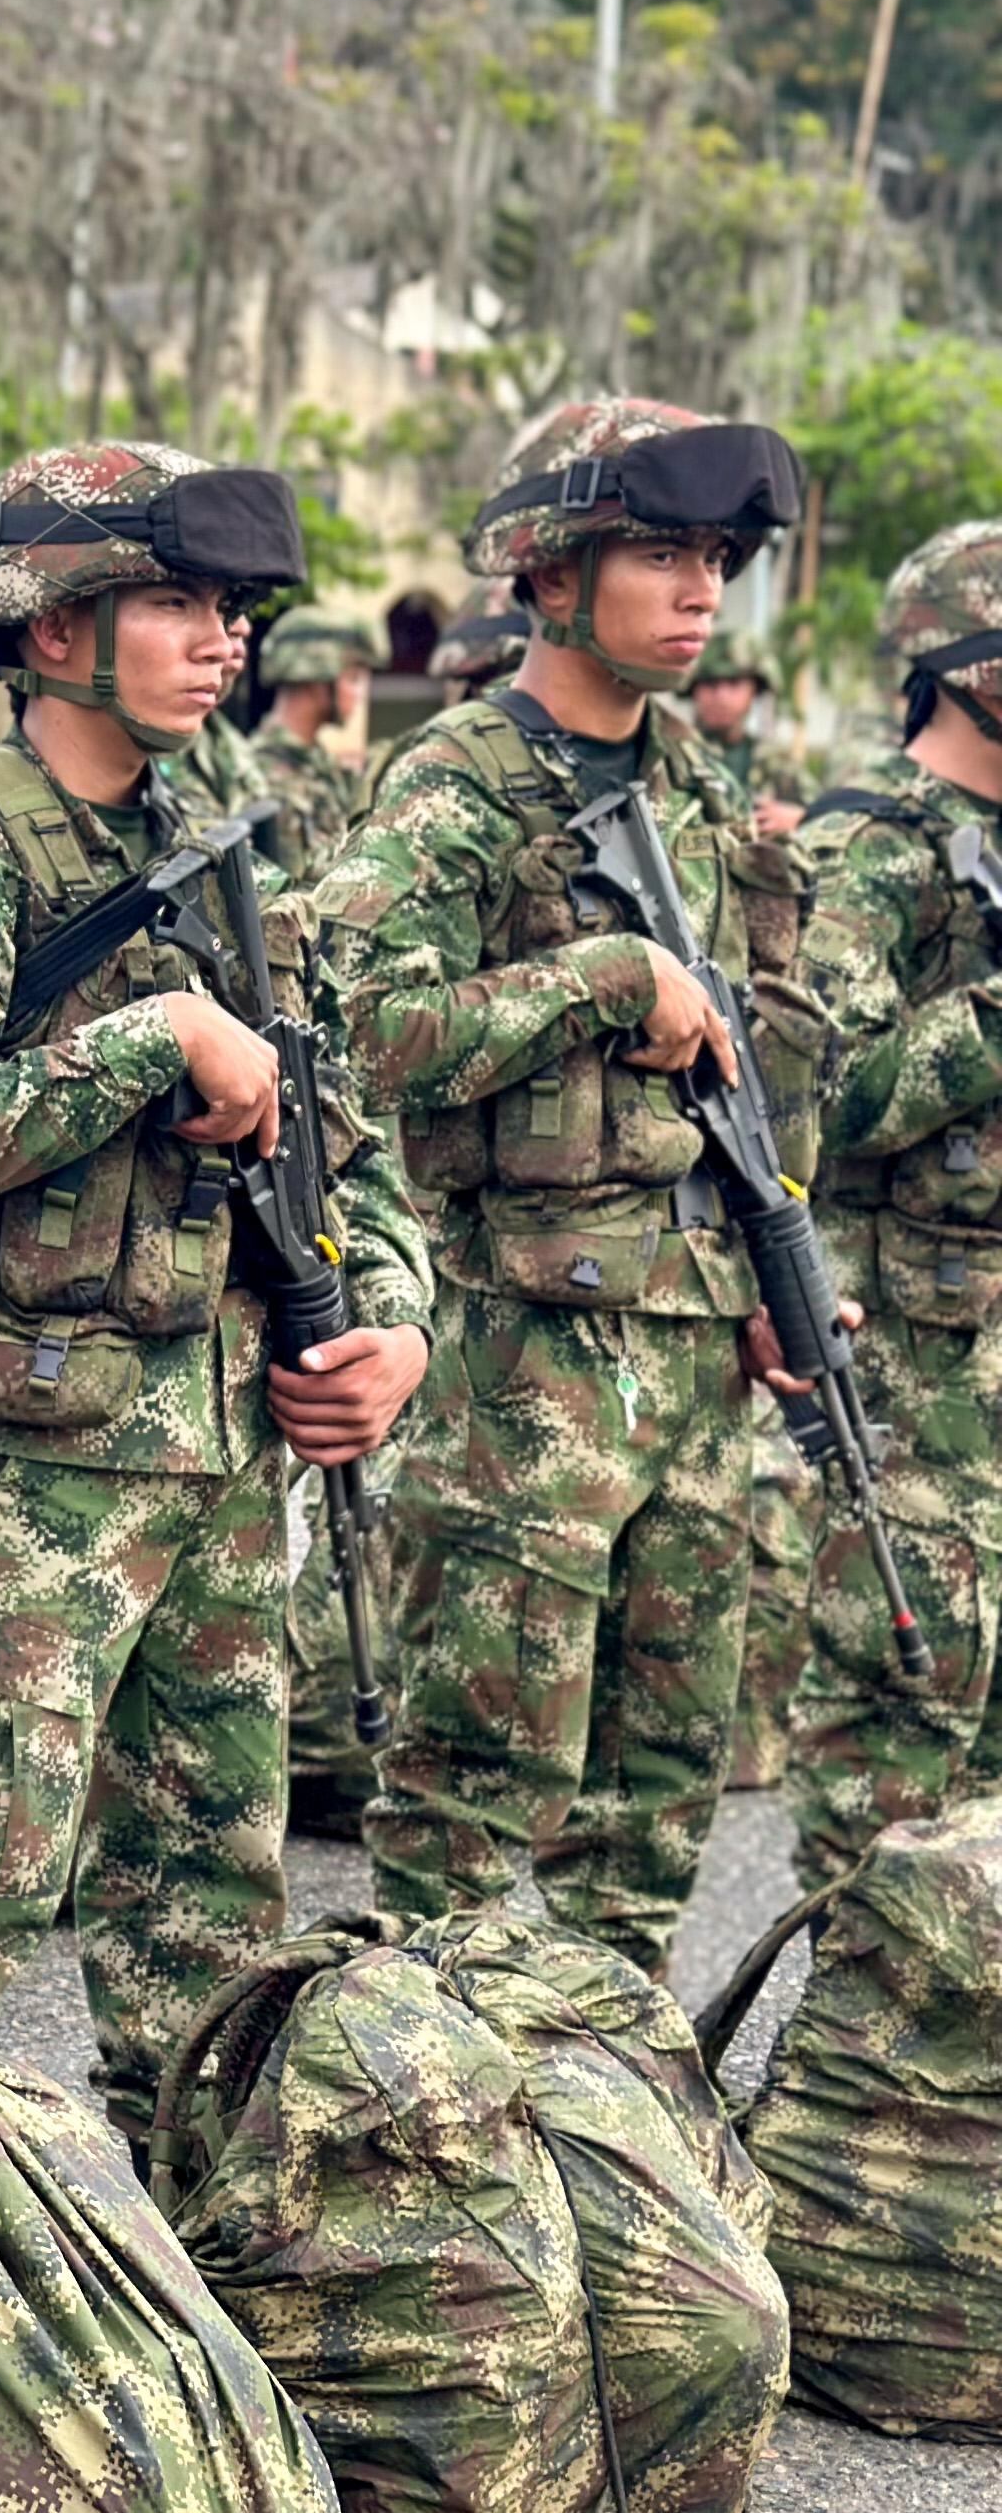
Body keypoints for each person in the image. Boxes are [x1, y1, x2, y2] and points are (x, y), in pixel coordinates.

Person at [0, 442, 430, 2142]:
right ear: (53, 622)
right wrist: (145, 1038)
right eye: (175, 601)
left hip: (228, 1460)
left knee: (208, 1923)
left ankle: (180, 2290)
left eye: (232, 609)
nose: (220, 638)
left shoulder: (237, 838)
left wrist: (392, 1323)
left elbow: (342, 1134)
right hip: (31, 1461)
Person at [310, 395, 808, 1979]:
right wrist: (598, 976)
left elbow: (749, 1049)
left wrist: (774, 1274)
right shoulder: (454, 783)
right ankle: (400, 2140)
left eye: (716, 557)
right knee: (468, 1801)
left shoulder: (705, 788)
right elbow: (364, 1030)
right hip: (524, 1355)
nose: (701, 589)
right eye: (659, 552)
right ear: (549, 570)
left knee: (658, 1804)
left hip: (693, 1352)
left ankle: (612, 2105)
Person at [774, 517, 1002, 1883]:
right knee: (896, 1712)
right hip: (912, 1348)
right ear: (968, 662)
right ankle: (845, 2064)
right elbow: (826, 1097)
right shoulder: (871, 847)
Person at [245, 605, 378, 876]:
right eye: (353, 678)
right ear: (316, 677)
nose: (361, 694)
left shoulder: (323, 768)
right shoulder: (261, 776)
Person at [688, 625, 805, 836]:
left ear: (755, 689)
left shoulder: (775, 761)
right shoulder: (671, 755)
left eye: (734, 683)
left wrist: (798, 818)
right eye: (711, 684)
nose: (721, 697)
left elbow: (823, 815)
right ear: (693, 689)